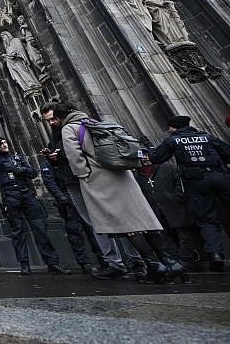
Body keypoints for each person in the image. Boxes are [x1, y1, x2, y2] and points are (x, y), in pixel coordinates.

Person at [55, 103, 185, 283]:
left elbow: (74, 156)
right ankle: (171, 263)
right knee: (144, 222)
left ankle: (155, 266)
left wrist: (84, 175)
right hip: (123, 175)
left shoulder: (69, 128)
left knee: (128, 226)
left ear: (61, 117)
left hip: (101, 179)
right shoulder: (94, 122)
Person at [41, 102, 145, 280]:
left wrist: (74, 166)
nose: (51, 123)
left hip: (88, 179)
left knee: (115, 220)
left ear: (60, 115)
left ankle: (135, 261)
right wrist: (52, 158)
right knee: (96, 224)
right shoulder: (59, 135)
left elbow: (87, 152)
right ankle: (115, 263)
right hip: (73, 181)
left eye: (53, 119)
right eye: (47, 121)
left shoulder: (75, 128)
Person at [145, 115, 230, 272]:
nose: (169, 130)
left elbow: (157, 158)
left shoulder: (172, 140)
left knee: (206, 219)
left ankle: (216, 254)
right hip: (219, 176)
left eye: (170, 128)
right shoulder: (208, 137)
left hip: (196, 181)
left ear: (174, 128)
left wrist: (149, 149)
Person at [0, 137, 71, 275]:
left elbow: (33, 173)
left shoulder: (17, 157)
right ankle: (24, 265)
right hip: (11, 196)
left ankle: (52, 263)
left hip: (26, 194)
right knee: (17, 231)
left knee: (40, 228)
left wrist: (22, 170)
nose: (5, 145)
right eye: (1, 144)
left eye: (5, 142)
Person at [38, 143, 102, 276]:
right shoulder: (48, 164)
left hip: (80, 195)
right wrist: (61, 196)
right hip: (66, 198)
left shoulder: (66, 160)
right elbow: (49, 181)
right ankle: (85, 263)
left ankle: (104, 260)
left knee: (92, 229)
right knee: (74, 231)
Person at [133, 156, 197, 281]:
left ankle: (184, 263)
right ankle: (176, 265)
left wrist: (175, 198)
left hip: (176, 208)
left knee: (184, 235)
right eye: (142, 155)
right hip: (155, 210)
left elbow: (181, 184)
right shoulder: (138, 174)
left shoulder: (169, 168)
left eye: (148, 154)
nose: (145, 157)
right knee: (164, 239)